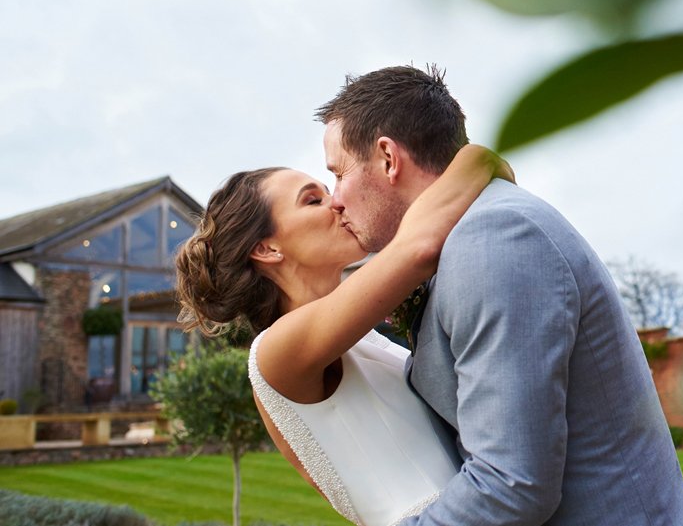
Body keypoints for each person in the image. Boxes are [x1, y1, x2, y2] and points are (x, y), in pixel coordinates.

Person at [317, 65, 683, 526]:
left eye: (338, 173)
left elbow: (511, 485)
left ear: (387, 158)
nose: (334, 199)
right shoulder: (468, 236)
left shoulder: (494, 238)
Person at [175, 144, 511, 526]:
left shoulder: (358, 338)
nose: (336, 203)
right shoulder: (277, 351)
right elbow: (419, 246)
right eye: (313, 200)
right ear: (267, 248)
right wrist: (480, 158)